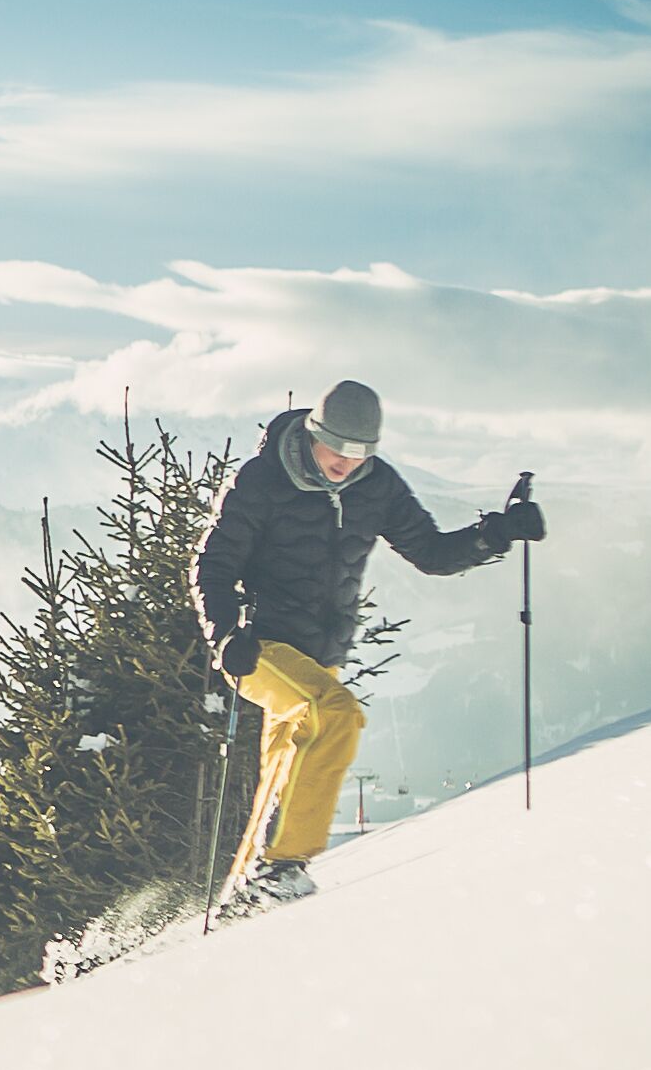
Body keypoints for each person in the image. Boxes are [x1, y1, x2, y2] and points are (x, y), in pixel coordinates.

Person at [193, 380, 544, 912]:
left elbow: (429, 552)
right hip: (259, 645)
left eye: (361, 452)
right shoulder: (261, 481)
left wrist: (494, 535)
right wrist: (224, 634)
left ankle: (241, 900)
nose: (347, 462)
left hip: (322, 654)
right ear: (314, 434)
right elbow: (212, 565)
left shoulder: (377, 486)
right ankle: (283, 867)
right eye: (338, 448)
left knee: (284, 772)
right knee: (335, 713)